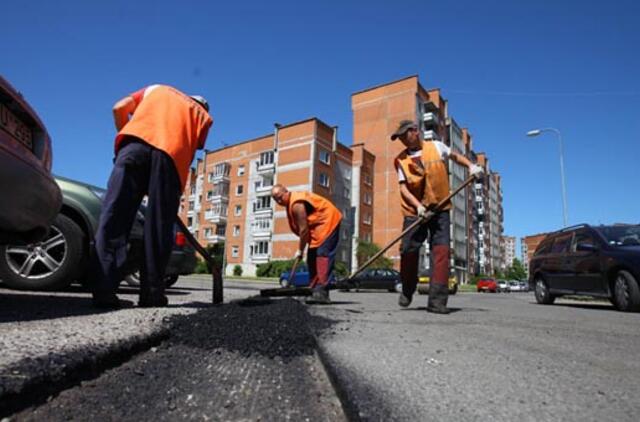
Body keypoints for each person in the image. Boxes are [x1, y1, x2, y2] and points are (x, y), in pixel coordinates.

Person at [92, 84, 213, 308]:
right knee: (158, 228)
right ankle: (152, 294)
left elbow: (118, 108)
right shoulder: (202, 115)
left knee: (114, 220)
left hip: (133, 148)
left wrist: (127, 141)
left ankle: (103, 291)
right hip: (170, 160)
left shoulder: (156, 89)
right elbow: (189, 148)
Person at [391, 120, 483, 314]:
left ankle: (437, 301)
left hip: (440, 207)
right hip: (413, 211)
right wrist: (418, 207)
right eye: (398, 138)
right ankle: (407, 289)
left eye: (403, 135)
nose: (401, 140)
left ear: (415, 131)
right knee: (408, 249)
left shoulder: (436, 146)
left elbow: (456, 156)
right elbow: (403, 189)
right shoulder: (401, 160)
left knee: (440, 252)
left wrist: (471, 166)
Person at [271, 184, 342, 304]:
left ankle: (322, 292)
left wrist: (300, 250)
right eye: (275, 199)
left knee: (322, 256)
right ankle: (313, 290)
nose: (279, 201)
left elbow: (304, 230)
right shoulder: (290, 204)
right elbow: (304, 230)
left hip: (328, 222)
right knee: (311, 258)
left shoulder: (296, 204)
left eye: (279, 197)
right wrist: (303, 250)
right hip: (318, 229)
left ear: (286, 192)